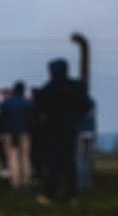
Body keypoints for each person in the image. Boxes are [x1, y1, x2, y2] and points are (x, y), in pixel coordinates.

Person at [34, 59, 92, 205]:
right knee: (69, 164)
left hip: (52, 131)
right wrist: (74, 117)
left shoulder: (48, 88)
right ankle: (71, 195)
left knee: (52, 164)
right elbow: (86, 105)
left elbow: (39, 109)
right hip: (70, 129)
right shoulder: (75, 87)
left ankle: (49, 195)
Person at [0, 81, 34, 189]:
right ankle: (26, 181)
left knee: (12, 158)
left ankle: (15, 182)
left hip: (10, 133)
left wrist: (1, 131)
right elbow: (31, 120)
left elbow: (2, 119)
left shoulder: (7, 102)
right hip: (25, 133)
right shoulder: (27, 103)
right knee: (25, 157)